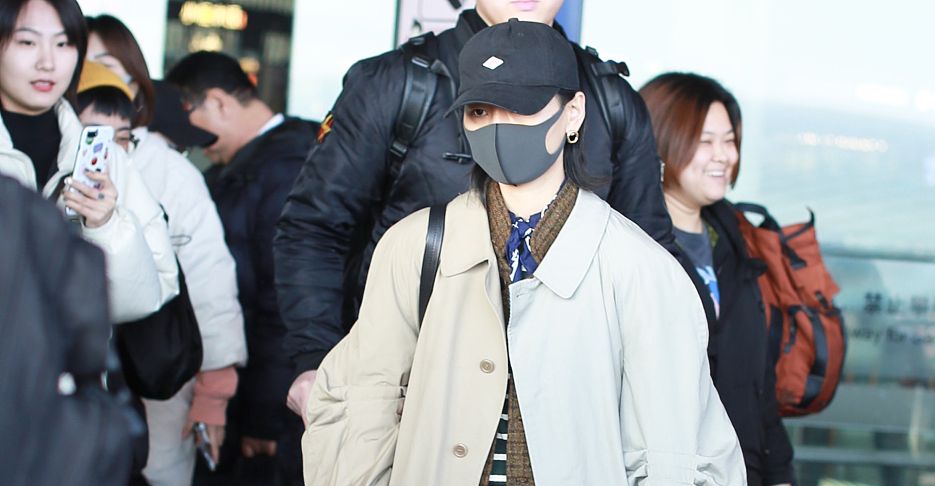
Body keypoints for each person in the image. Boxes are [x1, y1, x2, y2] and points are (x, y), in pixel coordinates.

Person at [303, 20, 746, 486]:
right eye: (481, 110)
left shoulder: (639, 268)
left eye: (521, 107)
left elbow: (685, 446)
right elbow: (356, 394)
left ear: (572, 114)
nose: (498, 126)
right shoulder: (417, 246)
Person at [275, 0, 716, 424]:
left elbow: (651, 253)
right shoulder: (398, 84)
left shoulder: (611, 99)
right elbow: (315, 227)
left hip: (565, 401)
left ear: (574, 114)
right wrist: (316, 362)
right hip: (410, 391)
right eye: (480, 112)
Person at [0, 2, 178, 486]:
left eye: (63, 43)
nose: (49, 61)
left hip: (69, 429)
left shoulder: (102, 153)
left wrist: (105, 226)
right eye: (26, 41)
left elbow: (152, 292)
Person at [78, 16, 248, 486]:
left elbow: (209, 280)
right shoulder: (42, 150)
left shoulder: (165, 167)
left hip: (154, 405)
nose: (92, 77)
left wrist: (215, 390)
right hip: (63, 412)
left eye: (110, 66)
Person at [640, 72, 797, 486]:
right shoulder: (632, 240)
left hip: (738, 479)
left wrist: (776, 472)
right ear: (664, 140)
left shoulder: (735, 237)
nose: (723, 156)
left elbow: (758, 372)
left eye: (729, 140)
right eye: (705, 140)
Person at [165, 51, 315, 486]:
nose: (191, 141)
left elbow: (282, 301)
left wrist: (265, 419)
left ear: (217, 102)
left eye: (190, 118)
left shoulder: (285, 169)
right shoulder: (263, 162)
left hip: (262, 404)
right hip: (242, 392)